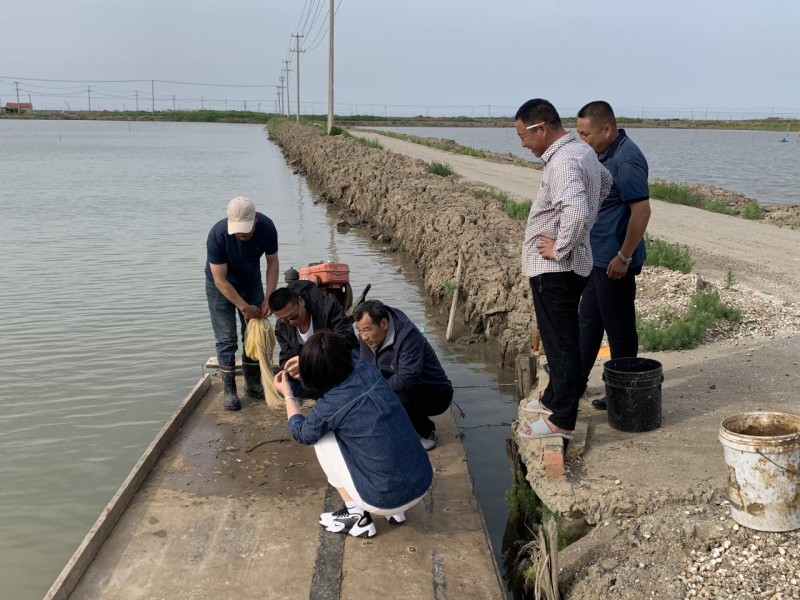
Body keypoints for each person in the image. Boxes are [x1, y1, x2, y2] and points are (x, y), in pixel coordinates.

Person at [514, 99, 612, 440]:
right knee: (558, 338)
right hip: (568, 264)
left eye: (523, 136)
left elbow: (577, 210)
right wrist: (577, 234)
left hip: (555, 269)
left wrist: (560, 247)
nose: (522, 144)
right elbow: (605, 181)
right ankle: (553, 399)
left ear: (541, 128)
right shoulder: (581, 151)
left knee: (561, 343)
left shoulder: (564, 161)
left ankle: (562, 420)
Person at [274, 331, 433, 538]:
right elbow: (347, 360)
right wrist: (309, 361)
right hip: (421, 482)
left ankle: (357, 518)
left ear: (318, 372)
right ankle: (397, 514)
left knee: (320, 438)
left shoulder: (331, 405)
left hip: (382, 500)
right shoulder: (368, 370)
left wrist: (288, 394)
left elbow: (302, 433)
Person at [576, 101, 652, 410]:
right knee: (589, 322)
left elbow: (642, 211)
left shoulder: (627, 159)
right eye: (579, 134)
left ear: (606, 129)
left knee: (619, 328)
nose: (583, 140)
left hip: (615, 261)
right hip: (598, 257)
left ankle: (624, 392)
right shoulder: (604, 153)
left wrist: (624, 256)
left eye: (586, 134)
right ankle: (574, 382)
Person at [206, 196, 279, 411]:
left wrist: (269, 297)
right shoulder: (218, 235)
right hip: (220, 287)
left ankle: (253, 383)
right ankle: (229, 390)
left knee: (253, 332)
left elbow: (273, 263)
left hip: (251, 283)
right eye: (238, 230)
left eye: (246, 229)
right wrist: (244, 306)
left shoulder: (267, 228)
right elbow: (220, 279)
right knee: (226, 337)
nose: (242, 234)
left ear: (255, 219)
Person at [353, 300, 453, 451]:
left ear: (384, 324)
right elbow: (366, 369)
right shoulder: (365, 337)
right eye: (359, 330)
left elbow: (406, 377)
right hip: (400, 383)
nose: (363, 336)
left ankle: (425, 431)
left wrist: (375, 392)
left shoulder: (408, 336)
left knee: (397, 394)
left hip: (435, 393)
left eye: (367, 329)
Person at [268, 282, 358, 399]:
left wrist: (308, 361)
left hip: (334, 360)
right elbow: (286, 356)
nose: (290, 322)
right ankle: (332, 393)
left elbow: (347, 338)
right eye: (284, 320)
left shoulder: (328, 308)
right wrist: (290, 369)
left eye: (292, 316)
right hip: (311, 373)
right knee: (285, 386)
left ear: (301, 301)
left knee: (353, 360)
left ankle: (333, 393)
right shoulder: (281, 328)